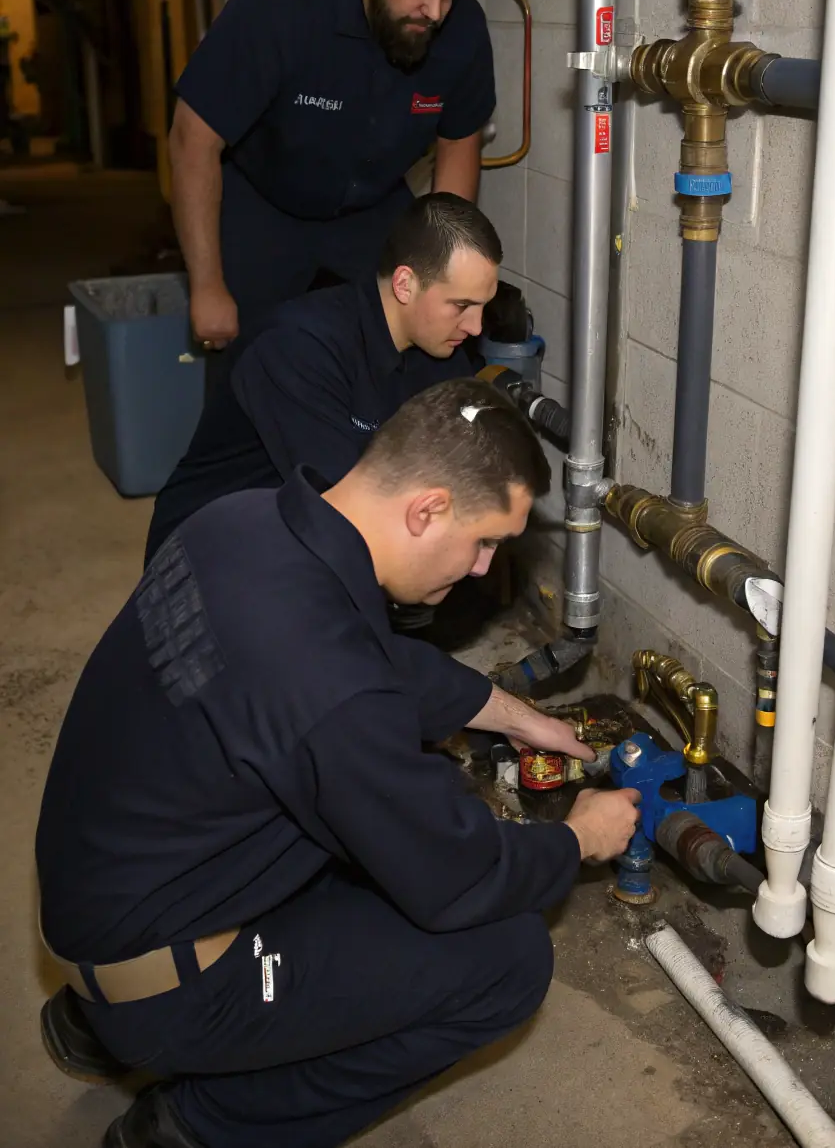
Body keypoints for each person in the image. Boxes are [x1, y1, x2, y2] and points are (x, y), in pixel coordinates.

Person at [36, 378, 641, 1148]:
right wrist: (577, 838)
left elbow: (370, 656)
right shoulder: (330, 686)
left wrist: (509, 713)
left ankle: (90, 1024)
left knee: (323, 817)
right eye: (486, 539)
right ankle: (198, 1126)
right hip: (160, 978)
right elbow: (457, 873)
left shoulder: (244, 520)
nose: (487, 567)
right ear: (427, 509)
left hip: (99, 887)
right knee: (507, 957)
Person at [169, 0, 495, 348]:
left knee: (419, 348)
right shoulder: (283, 2)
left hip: (372, 207)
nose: (435, 11)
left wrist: (442, 274)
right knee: (244, 372)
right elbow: (192, 138)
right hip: (265, 204)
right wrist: (205, 286)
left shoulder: (460, 30)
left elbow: (460, 143)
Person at [144, 191, 500, 565]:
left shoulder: (441, 349)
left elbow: (473, 460)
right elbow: (348, 511)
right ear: (405, 285)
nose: (476, 327)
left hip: (292, 535)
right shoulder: (298, 347)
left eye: (482, 308)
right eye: (461, 306)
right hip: (207, 554)